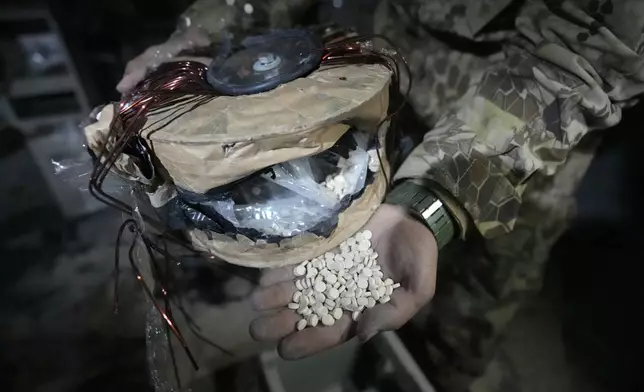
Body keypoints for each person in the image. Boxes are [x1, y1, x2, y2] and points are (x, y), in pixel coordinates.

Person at [118, 1, 644, 391]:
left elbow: (588, 59)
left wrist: (436, 199)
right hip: (384, 84)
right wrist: (213, 27)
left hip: (519, 131)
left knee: (469, 311)